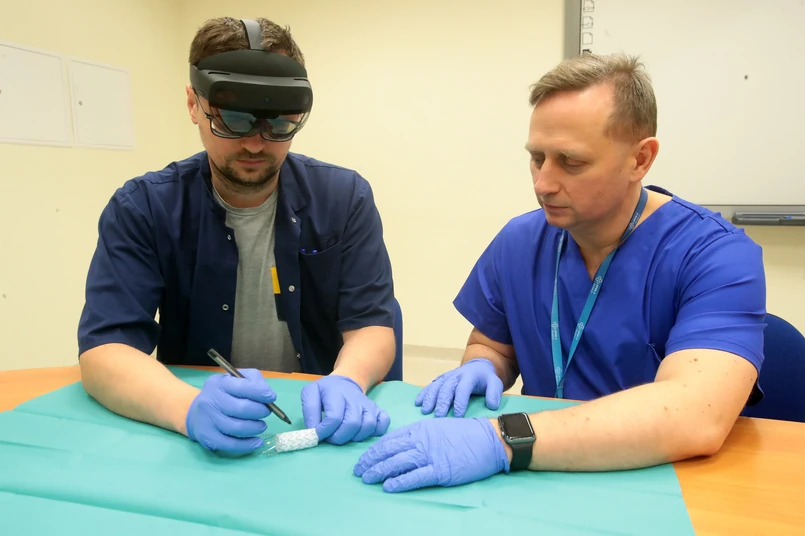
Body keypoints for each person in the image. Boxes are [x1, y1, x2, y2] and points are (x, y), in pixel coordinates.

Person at [354, 53, 766, 493]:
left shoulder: (715, 255)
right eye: (537, 158)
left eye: (571, 162)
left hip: (659, 479)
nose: (543, 184)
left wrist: (501, 439)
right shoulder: (520, 241)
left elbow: (696, 416)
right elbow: (492, 344)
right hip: (537, 470)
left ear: (640, 159)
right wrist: (483, 366)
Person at [77, 17, 396, 454]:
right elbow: (106, 350)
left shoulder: (344, 198)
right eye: (233, 120)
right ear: (194, 104)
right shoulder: (144, 208)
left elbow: (372, 326)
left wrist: (348, 380)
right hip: (195, 424)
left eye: (278, 124)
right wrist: (187, 408)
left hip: (316, 426)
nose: (255, 144)